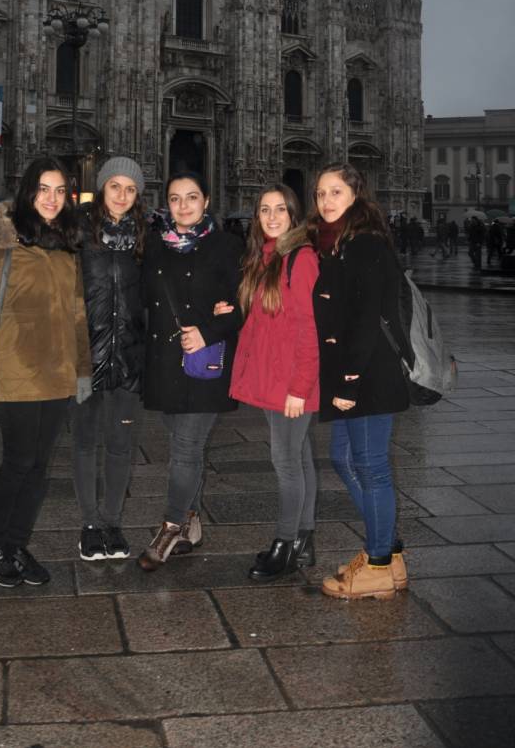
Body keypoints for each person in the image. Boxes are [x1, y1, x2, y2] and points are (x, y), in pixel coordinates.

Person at [0, 156, 92, 589]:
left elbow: (77, 313)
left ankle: (16, 546)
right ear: (28, 192)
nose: (52, 199)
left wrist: (82, 369)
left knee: (39, 467)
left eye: (59, 191)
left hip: (57, 373)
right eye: (43, 189)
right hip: (15, 370)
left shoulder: (68, 244)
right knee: (18, 463)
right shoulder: (4, 241)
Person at [312, 163, 409, 601]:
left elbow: (367, 319)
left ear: (356, 195)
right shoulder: (343, 242)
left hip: (367, 374)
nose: (326, 201)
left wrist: (349, 381)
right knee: (344, 459)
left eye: (335, 192)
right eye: (320, 193)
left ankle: (378, 565)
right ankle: (389, 550)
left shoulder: (364, 243)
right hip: (356, 371)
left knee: (368, 465)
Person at [138, 171, 243, 571]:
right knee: (185, 446)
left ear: (206, 201)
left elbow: (244, 304)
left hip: (205, 363)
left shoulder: (227, 246)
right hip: (165, 362)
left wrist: (209, 329)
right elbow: (144, 297)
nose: (183, 206)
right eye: (175, 198)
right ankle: (192, 523)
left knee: (185, 448)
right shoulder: (153, 245)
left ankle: (169, 527)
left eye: (192, 197)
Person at [229, 184, 320, 581]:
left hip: (291, 381)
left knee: (285, 461)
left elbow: (309, 329)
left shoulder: (301, 259)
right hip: (275, 375)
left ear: (294, 215)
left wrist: (299, 388)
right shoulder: (267, 256)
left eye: (280, 209)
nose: (271, 217)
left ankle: (284, 544)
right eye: (264, 209)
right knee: (300, 457)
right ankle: (304, 540)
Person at [73, 157, 147, 562]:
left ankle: (113, 523)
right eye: (115, 186)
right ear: (102, 187)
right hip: (85, 356)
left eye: (130, 189)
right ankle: (89, 525)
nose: (122, 195)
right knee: (85, 443)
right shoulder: (77, 232)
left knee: (120, 445)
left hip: (129, 358)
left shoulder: (145, 237)